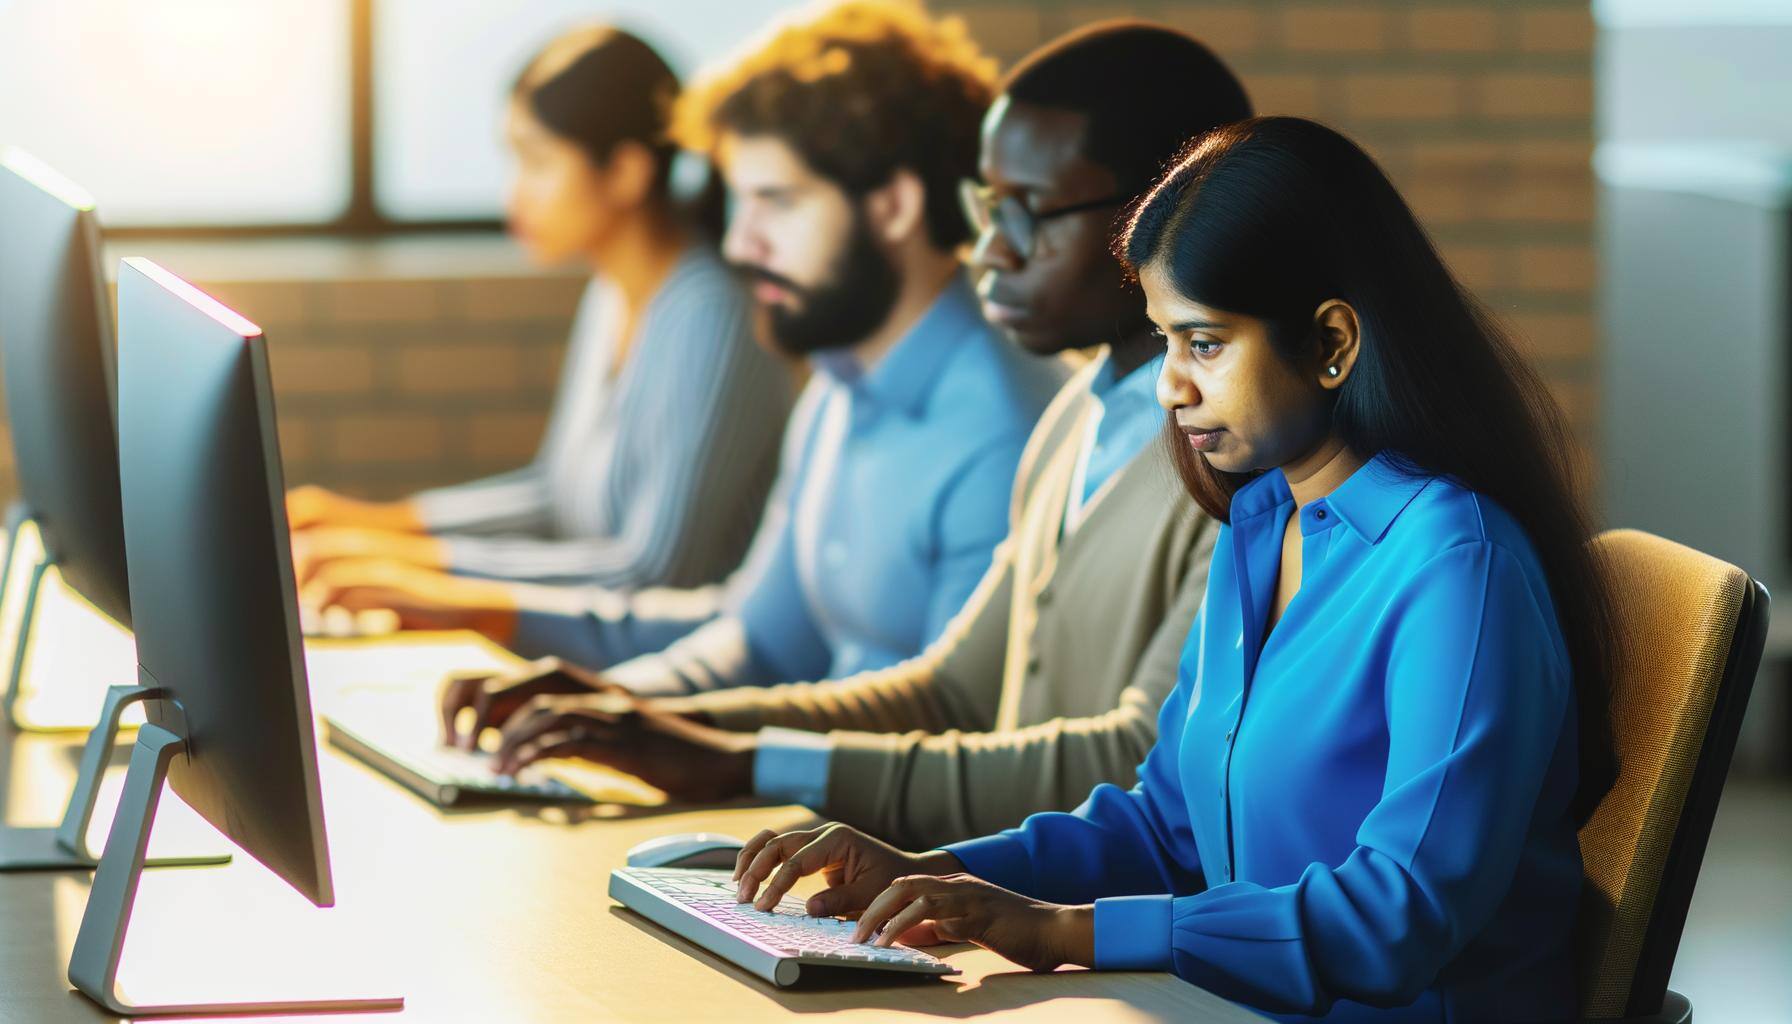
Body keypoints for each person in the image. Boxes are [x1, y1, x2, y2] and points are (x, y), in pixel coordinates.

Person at [728, 117, 1619, 1023]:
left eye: (1205, 343)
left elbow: (1399, 918)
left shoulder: (1456, 564)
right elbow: (1168, 825)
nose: (1170, 386)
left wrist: (1064, 934)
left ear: (1331, 343)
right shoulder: (1260, 528)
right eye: (1163, 341)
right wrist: (939, 873)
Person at [457, 22, 1252, 848]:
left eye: (1028, 212)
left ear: (1167, 217)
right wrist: (646, 721)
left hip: (1058, 924)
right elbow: (950, 691)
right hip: (985, 897)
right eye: (989, 207)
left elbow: (1132, 768)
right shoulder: (1076, 416)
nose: (990, 250)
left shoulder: (1222, 459)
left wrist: (744, 764)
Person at [327, 1, 1066, 697]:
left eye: (776, 201)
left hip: (850, 831)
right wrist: (604, 709)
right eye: (739, 202)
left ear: (896, 205)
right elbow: (756, 641)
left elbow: (947, 744)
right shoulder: (841, 384)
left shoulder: (1005, 429)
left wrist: (701, 747)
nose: (741, 244)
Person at [287, 26, 790, 590]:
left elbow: (655, 571)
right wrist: (384, 526)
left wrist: (419, 570)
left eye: (538, 162)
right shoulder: (611, 292)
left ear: (626, 171)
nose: (514, 196)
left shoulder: (710, 316)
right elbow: (558, 494)